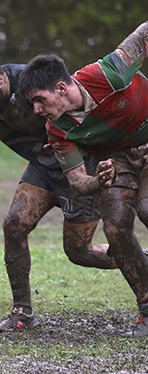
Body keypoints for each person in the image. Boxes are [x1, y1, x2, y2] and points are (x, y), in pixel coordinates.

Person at [0, 51, 118, 331]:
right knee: (14, 225)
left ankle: (137, 258)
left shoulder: (31, 84)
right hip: (42, 169)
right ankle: (22, 313)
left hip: (79, 171)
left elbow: (80, 106)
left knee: (79, 251)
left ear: (0, 79)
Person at [18, 20, 148, 335]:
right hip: (118, 158)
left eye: (40, 100)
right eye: (32, 103)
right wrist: (100, 182)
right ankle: (146, 306)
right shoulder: (57, 128)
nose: (37, 109)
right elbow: (77, 181)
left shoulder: (105, 74)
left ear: (61, 88)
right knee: (116, 226)